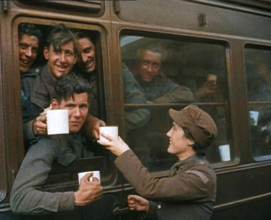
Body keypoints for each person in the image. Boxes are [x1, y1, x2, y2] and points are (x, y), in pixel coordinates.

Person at [11, 73, 117, 219]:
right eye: (70, 106)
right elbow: (20, 199)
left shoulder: (80, 131)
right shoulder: (49, 140)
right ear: (55, 106)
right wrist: (74, 198)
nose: (78, 114)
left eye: (83, 106)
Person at [98, 105, 217, 220]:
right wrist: (150, 208)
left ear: (191, 139)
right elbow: (185, 212)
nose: (168, 133)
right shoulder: (189, 168)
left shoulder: (200, 178)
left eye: (174, 129)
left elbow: (149, 187)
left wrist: (124, 152)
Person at [22, 24, 103, 145]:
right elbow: (9, 130)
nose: (63, 59)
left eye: (68, 54)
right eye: (57, 52)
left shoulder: (78, 84)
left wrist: (91, 123)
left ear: (75, 58)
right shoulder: (26, 84)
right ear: (46, 53)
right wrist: (33, 128)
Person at [74, 31, 150, 133]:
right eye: (78, 55)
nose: (84, 59)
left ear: (97, 47)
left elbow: (142, 112)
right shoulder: (72, 74)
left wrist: (108, 128)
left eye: (87, 51)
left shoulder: (118, 71)